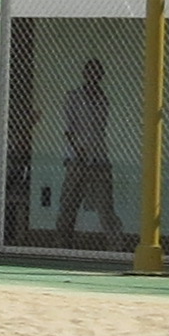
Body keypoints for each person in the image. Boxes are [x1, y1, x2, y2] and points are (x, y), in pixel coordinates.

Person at [54, 54, 118, 240]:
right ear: (84, 74)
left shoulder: (103, 99)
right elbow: (69, 128)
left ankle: (114, 242)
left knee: (105, 203)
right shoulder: (73, 97)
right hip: (76, 158)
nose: (93, 76)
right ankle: (62, 241)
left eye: (97, 73)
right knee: (69, 202)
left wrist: (94, 153)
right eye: (90, 72)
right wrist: (78, 150)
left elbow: (100, 129)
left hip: (98, 158)